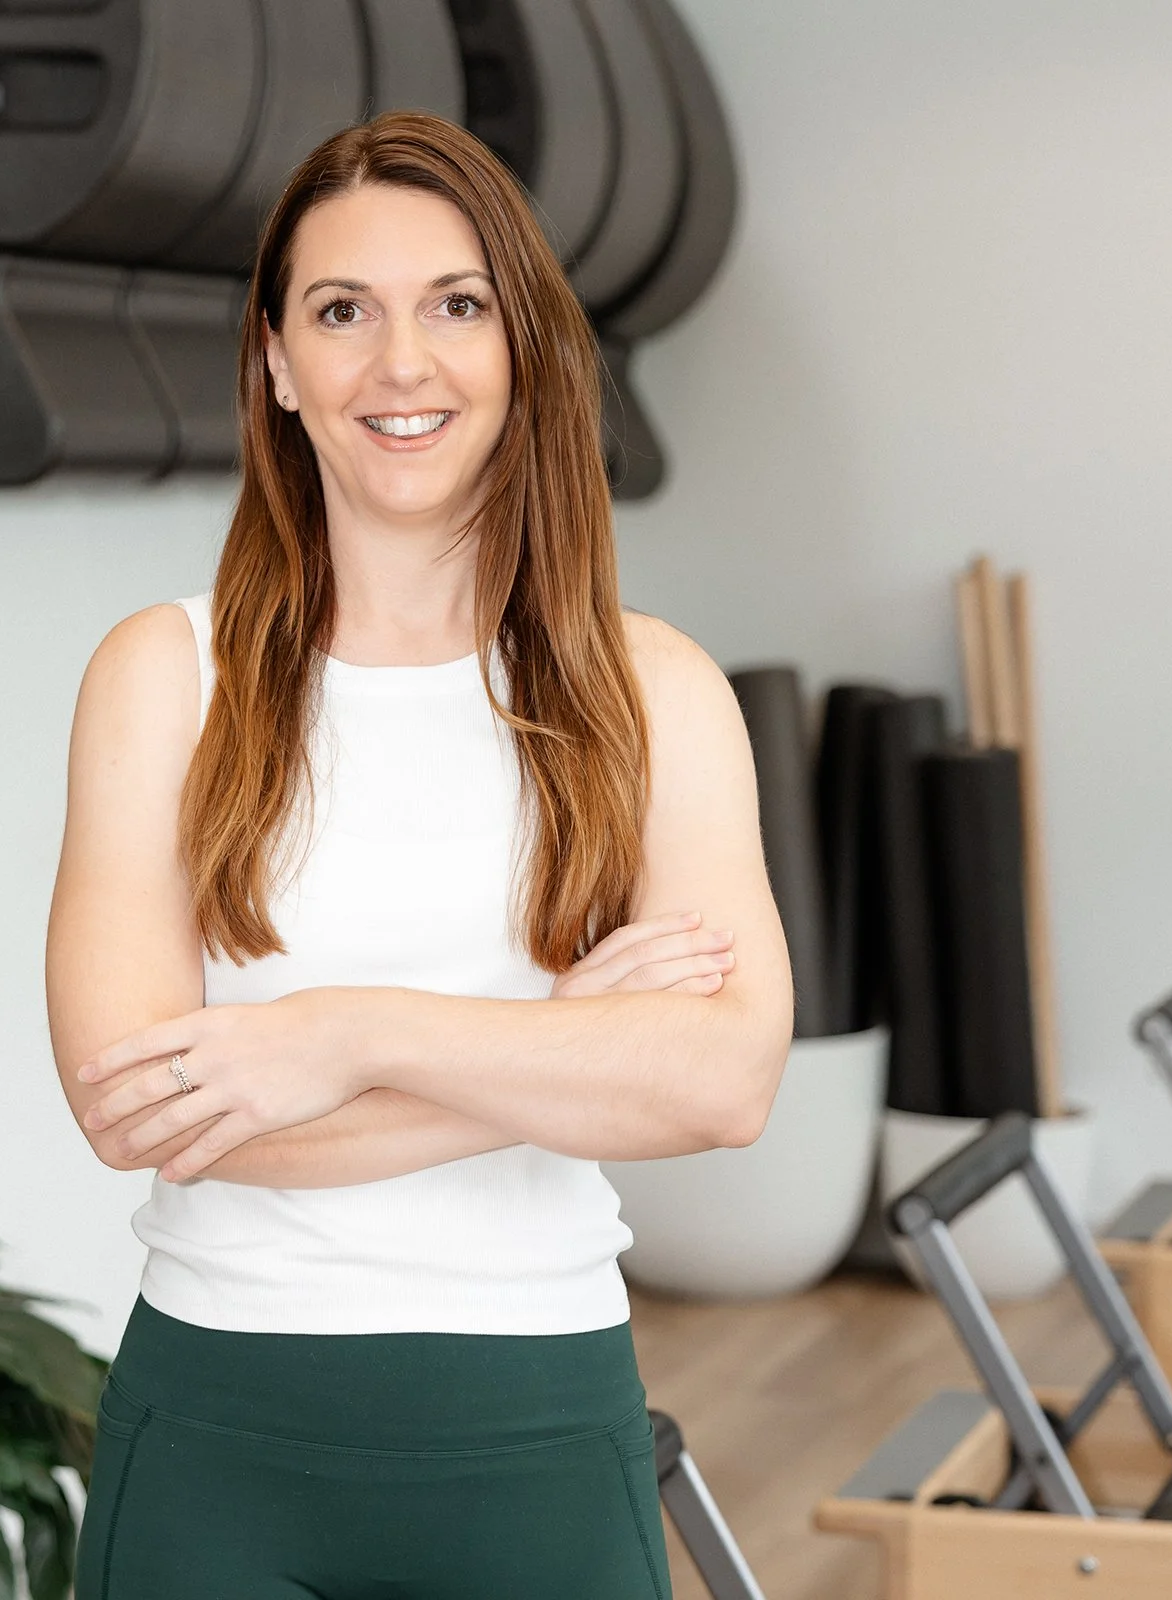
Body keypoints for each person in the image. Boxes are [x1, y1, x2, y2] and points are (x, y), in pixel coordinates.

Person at [46, 110, 793, 1600]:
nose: (403, 364)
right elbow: (138, 1111)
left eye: (455, 305)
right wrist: (556, 1049)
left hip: (534, 1420)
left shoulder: (655, 694)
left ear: (518, 344)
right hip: (215, 1433)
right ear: (275, 361)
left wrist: (338, 1040)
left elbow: (722, 1081)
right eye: (343, 312)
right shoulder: (161, 675)